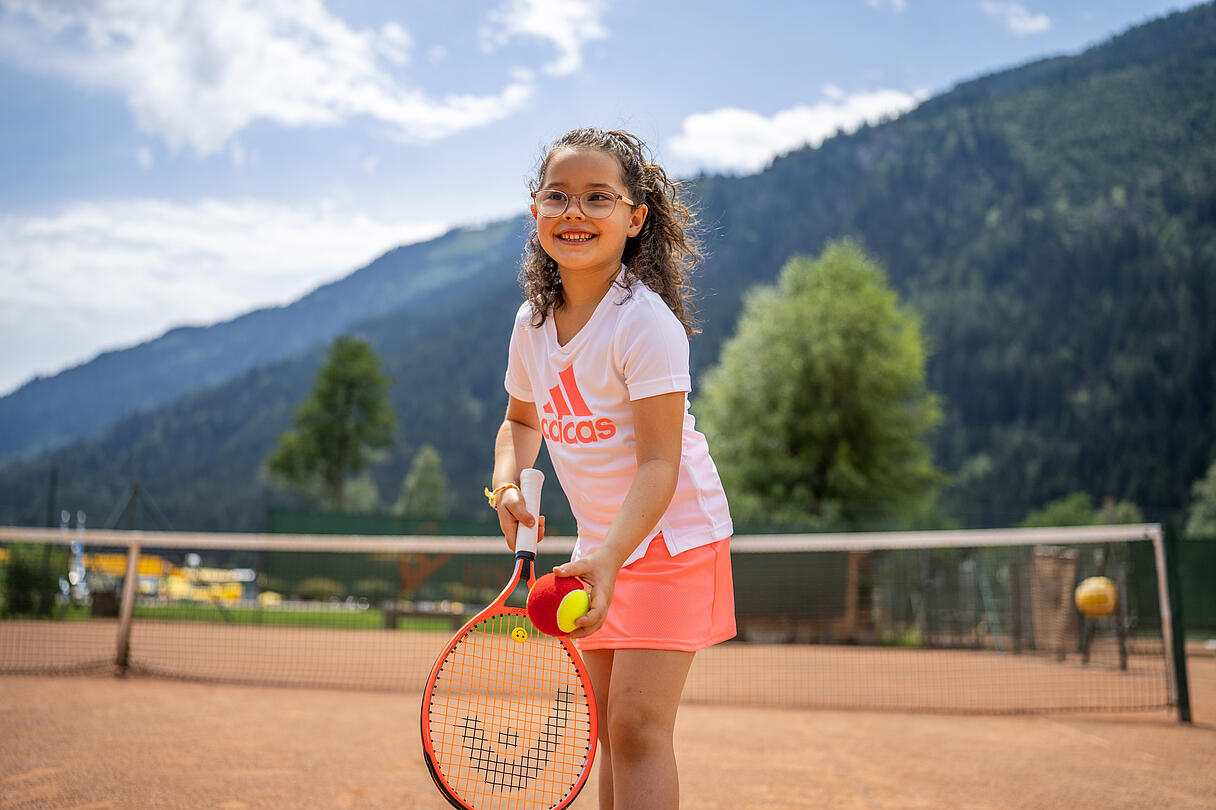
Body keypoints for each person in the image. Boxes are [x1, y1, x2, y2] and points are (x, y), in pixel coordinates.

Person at [487, 127, 735, 810]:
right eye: (557, 196)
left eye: (598, 197)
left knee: (636, 726)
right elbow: (521, 422)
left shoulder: (643, 323)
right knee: (608, 729)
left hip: (673, 538)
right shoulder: (531, 324)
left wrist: (610, 557)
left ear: (635, 218)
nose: (575, 212)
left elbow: (660, 463)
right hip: (602, 546)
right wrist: (506, 485)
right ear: (536, 210)